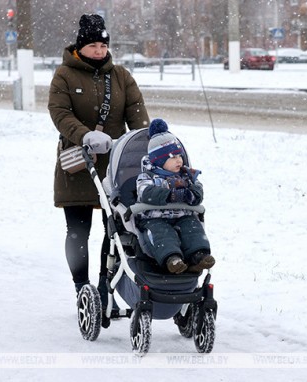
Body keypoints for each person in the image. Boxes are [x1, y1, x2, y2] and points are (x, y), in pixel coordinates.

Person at [48, 14, 150, 310]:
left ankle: (107, 285)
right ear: (81, 46)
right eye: (93, 45)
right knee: (78, 231)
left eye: (103, 45)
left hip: (117, 167)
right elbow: (59, 113)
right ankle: (82, 288)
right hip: (79, 165)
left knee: (115, 231)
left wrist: (146, 139)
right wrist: (84, 135)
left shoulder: (121, 76)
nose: (99, 51)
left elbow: (136, 111)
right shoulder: (64, 75)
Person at [135, 118, 214, 274]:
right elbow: (146, 193)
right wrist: (170, 195)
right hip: (155, 218)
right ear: (159, 160)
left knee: (192, 228)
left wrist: (191, 195)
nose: (179, 160)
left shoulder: (186, 175)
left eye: (179, 155)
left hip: (182, 215)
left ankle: (199, 256)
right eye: (173, 157)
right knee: (162, 234)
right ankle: (173, 259)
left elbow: (199, 191)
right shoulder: (146, 177)